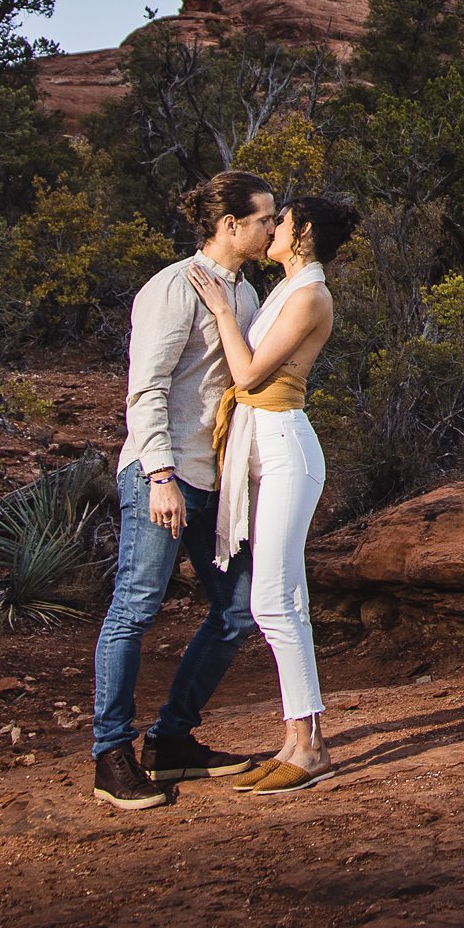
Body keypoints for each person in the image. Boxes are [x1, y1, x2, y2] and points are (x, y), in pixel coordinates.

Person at [88, 170, 276, 811]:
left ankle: (170, 743)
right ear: (232, 226)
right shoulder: (172, 288)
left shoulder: (244, 295)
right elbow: (146, 389)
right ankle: (110, 755)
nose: (272, 229)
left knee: (236, 609)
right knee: (135, 610)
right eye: (264, 220)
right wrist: (160, 476)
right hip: (162, 475)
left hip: (214, 478)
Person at [188, 193, 359, 794]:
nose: (271, 231)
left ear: (303, 231)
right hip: (263, 445)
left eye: (279, 221)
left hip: (285, 449)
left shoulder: (311, 294)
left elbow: (250, 375)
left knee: (272, 600)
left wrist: (223, 314)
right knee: (283, 599)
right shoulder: (286, 288)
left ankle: (309, 745)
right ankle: (299, 739)